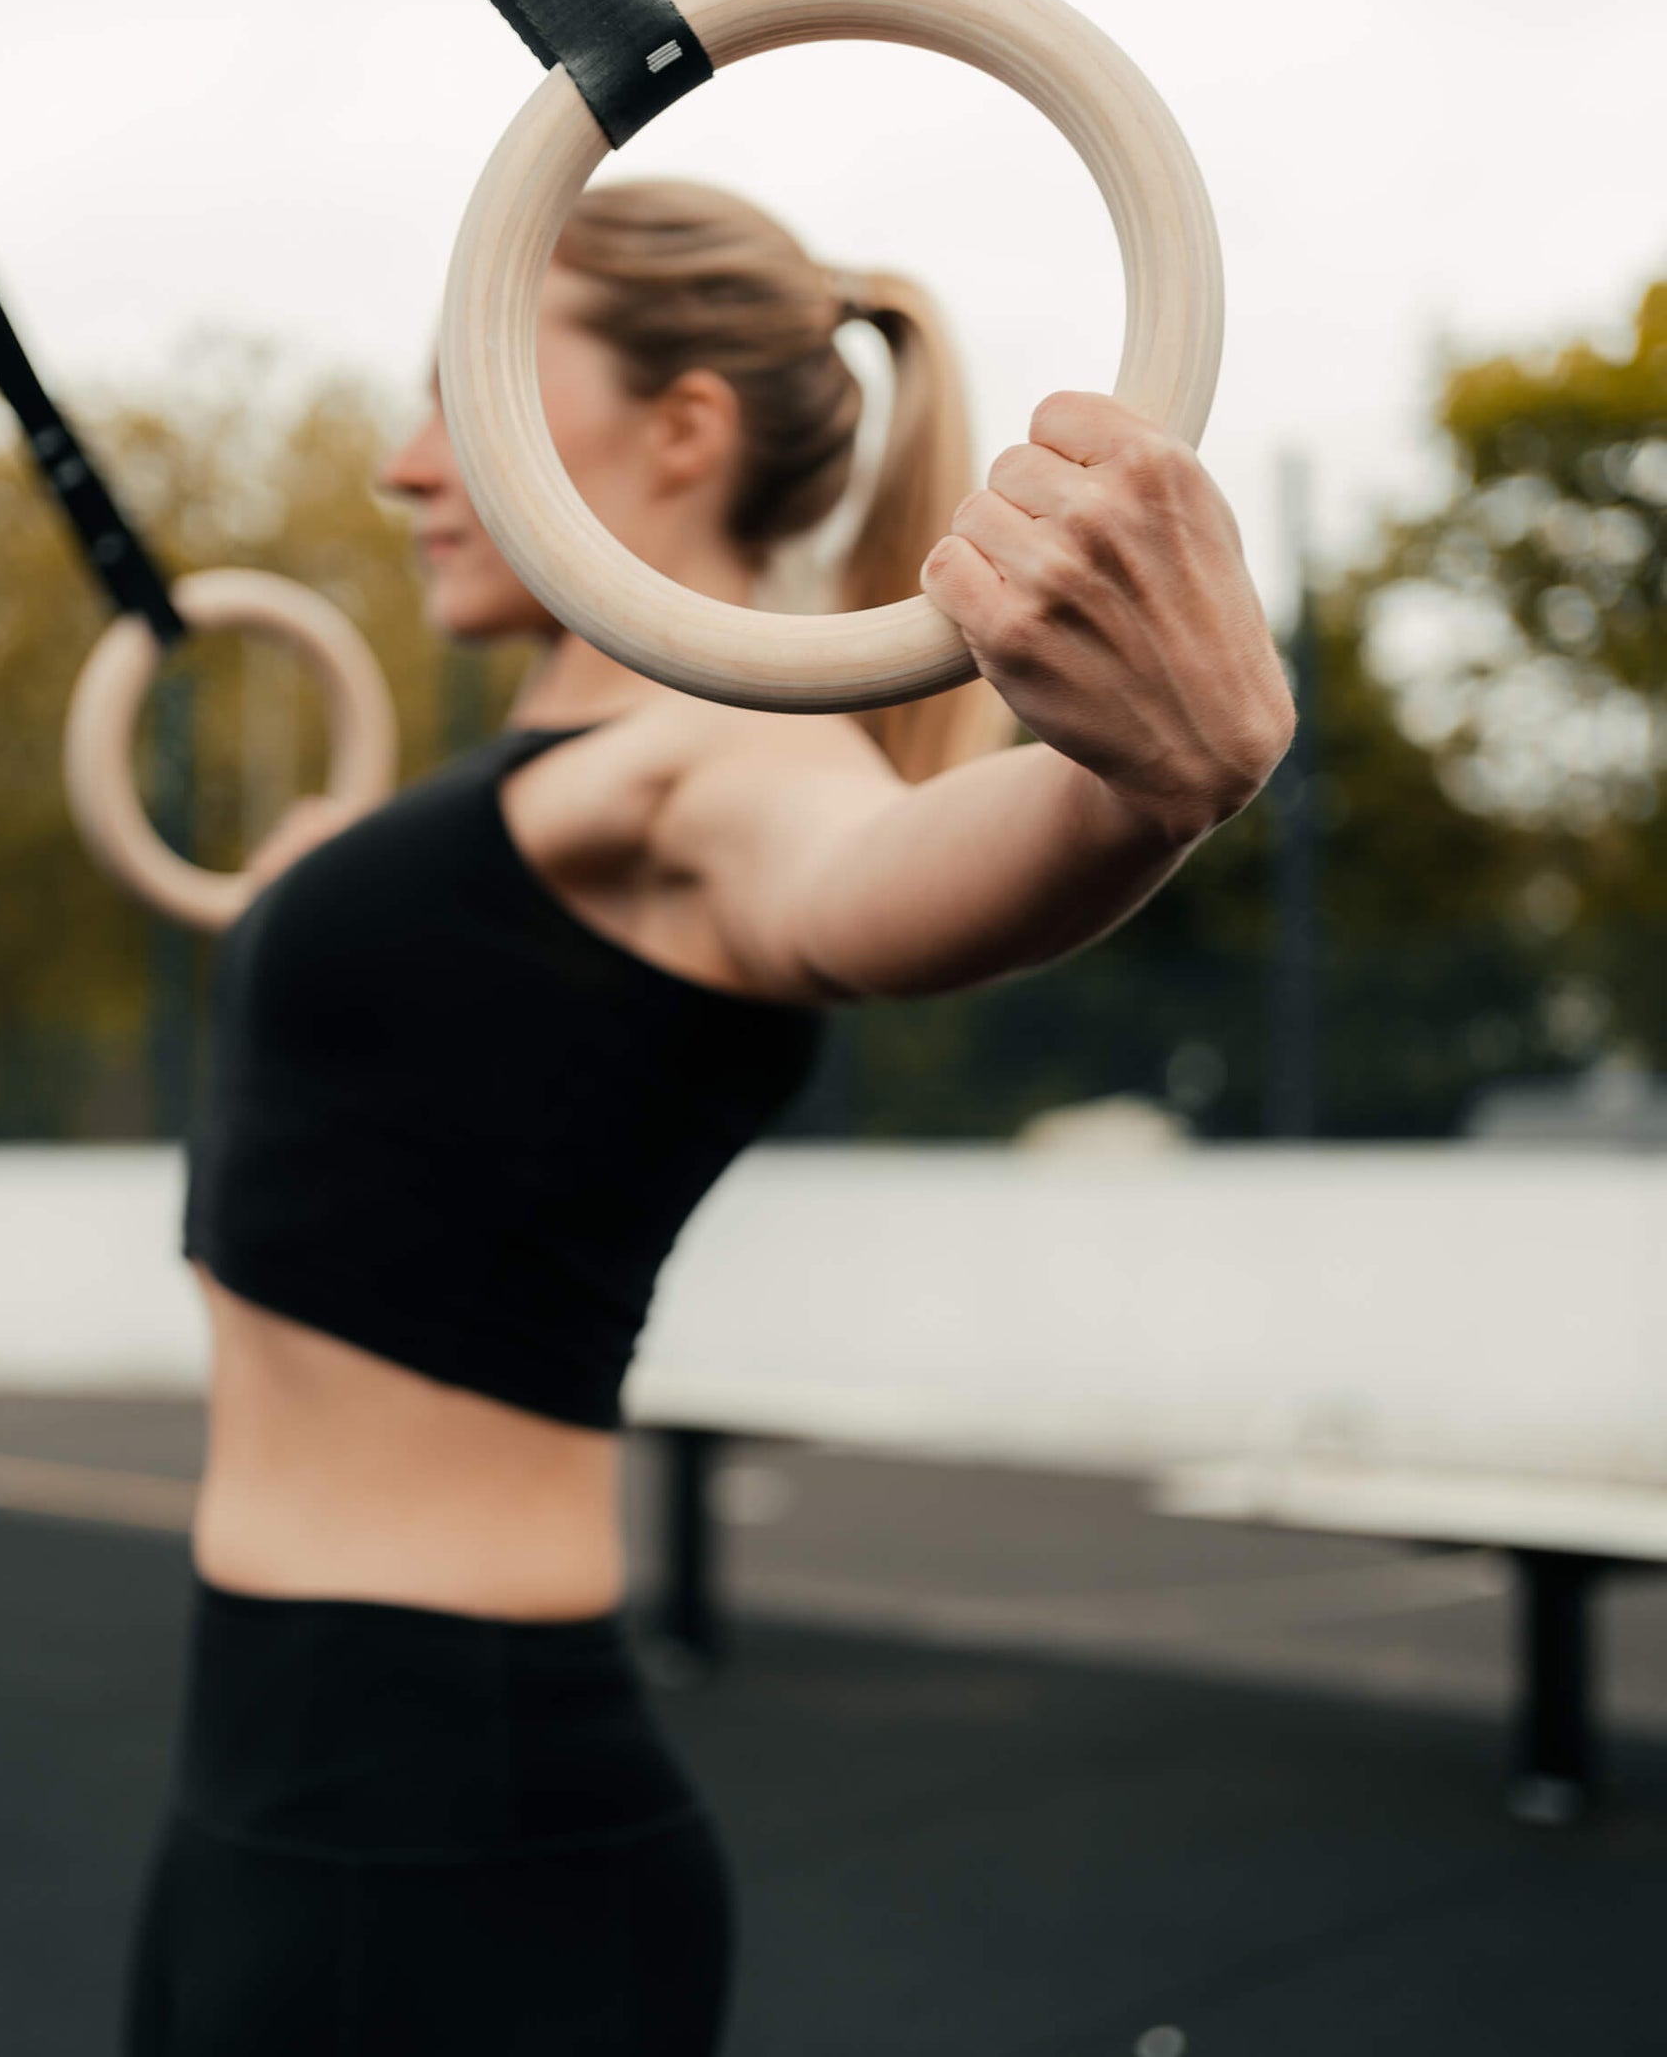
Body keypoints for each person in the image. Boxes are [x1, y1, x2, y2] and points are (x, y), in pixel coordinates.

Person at [122, 179, 1292, 2055]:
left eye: (467, 392)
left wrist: (1145, 791)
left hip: (441, 1823)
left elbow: (871, 886)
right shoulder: (560, 778)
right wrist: (341, 898)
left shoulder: (719, 758)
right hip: (277, 1770)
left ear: (682, 430)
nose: (411, 467)